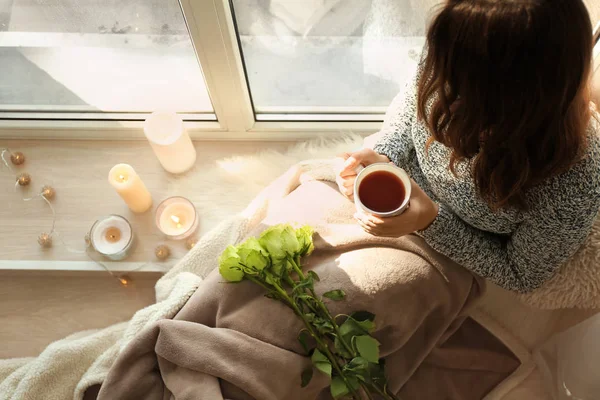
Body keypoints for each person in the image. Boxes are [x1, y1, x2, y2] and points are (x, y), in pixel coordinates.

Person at [337, 0, 600, 293]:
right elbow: (414, 98)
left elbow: (520, 274)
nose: (441, 85)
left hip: (452, 252)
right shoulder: (459, 46)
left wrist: (429, 222)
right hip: (399, 195)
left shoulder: (573, 183)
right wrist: (387, 154)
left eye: (459, 86)